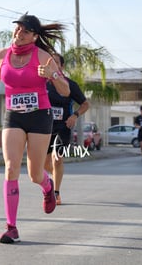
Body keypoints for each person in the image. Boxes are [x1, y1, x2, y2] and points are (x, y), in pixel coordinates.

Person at [0, 13, 70, 244]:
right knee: (11, 168)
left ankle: (47, 186)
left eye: (25, 31)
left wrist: (52, 75)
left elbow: (65, 91)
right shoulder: (2, 55)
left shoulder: (44, 57)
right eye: (18, 29)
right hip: (13, 116)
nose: (19, 33)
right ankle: (11, 227)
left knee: (34, 174)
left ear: (34, 36)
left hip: (39, 117)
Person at [44, 53, 89, 205]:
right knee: (44, 164)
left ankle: (56, 193)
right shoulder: (42, 84)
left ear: (61, 66)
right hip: (44, 127)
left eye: (55, 63)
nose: (51, 65)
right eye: (49, 62)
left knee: (57, 159)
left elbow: (85, 104)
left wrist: (74, 116)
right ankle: (50, 181)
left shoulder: (70, 84)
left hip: (63, 126)